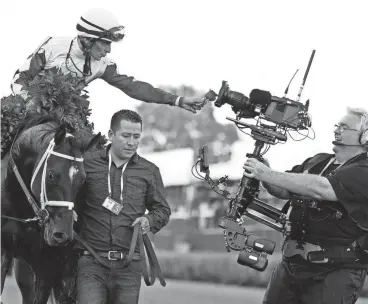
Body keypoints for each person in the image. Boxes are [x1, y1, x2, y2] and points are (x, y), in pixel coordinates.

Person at [242, 107, 368, 304]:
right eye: (337, 126)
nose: (337, 130)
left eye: (345, 127)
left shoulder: (364, 168)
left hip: (336, 270)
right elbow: (283, 190)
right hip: (292, 263)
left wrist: (266, 173)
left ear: (365, 136)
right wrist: (264, 169)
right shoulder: (319, 160)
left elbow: (322, 188)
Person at [10, 8, 207, 116]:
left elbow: (134, 87)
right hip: (28, 111)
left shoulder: (104, 65)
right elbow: (19, 79)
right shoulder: (53, 46)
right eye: (105, 44)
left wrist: (178, 100)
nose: (108, 50)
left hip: (64, 116)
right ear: (88, 39)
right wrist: (33, 104)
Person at [74, 109, 171, 304]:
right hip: (91, 262)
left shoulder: (149, 171)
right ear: (111, 135)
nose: (132, 142)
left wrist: (149, 220)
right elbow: (70, 199)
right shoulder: (87, 164)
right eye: (126, 136)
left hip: (129, 265)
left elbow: (162, 210)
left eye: (136, 136)